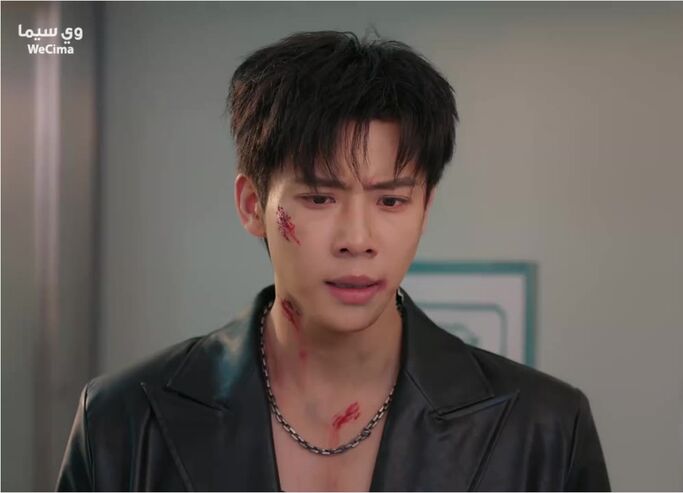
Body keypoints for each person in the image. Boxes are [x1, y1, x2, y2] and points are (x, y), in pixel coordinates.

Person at [56, 31, 610, 491]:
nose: (357, 239)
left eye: (391, 201)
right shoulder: (122, 420)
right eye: (319, 198)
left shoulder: (545, 428)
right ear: (253, 206)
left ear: (424, 209)